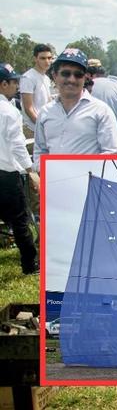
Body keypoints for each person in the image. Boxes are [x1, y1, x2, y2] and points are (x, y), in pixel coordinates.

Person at [33, 48, 117, 169]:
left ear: (85, 78)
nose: (71, 79)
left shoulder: (101, 111)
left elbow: (112, 154)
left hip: (88, 184)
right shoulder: (45, 113)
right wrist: (43, 170)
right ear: (55, 76)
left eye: (78, 74)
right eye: (66, 73)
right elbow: (40, 150)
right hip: (53, 184)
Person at [0, 63, 39, 275]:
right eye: (14, 82)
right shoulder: (8, 111)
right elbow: (17, 144)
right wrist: (30, 170)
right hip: (6, 174)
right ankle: (29, 265)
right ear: (4, 84)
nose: (16, 86)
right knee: (20, 221)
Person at [19, 44, 53, 136]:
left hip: (46, 126)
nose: (47, 61)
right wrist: (40, 126)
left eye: (49, 58)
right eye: (43, 58)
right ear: (35, 59)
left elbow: (49, 103)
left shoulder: (46, 78)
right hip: (33, 128)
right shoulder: (28, 78)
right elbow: (28, 108)